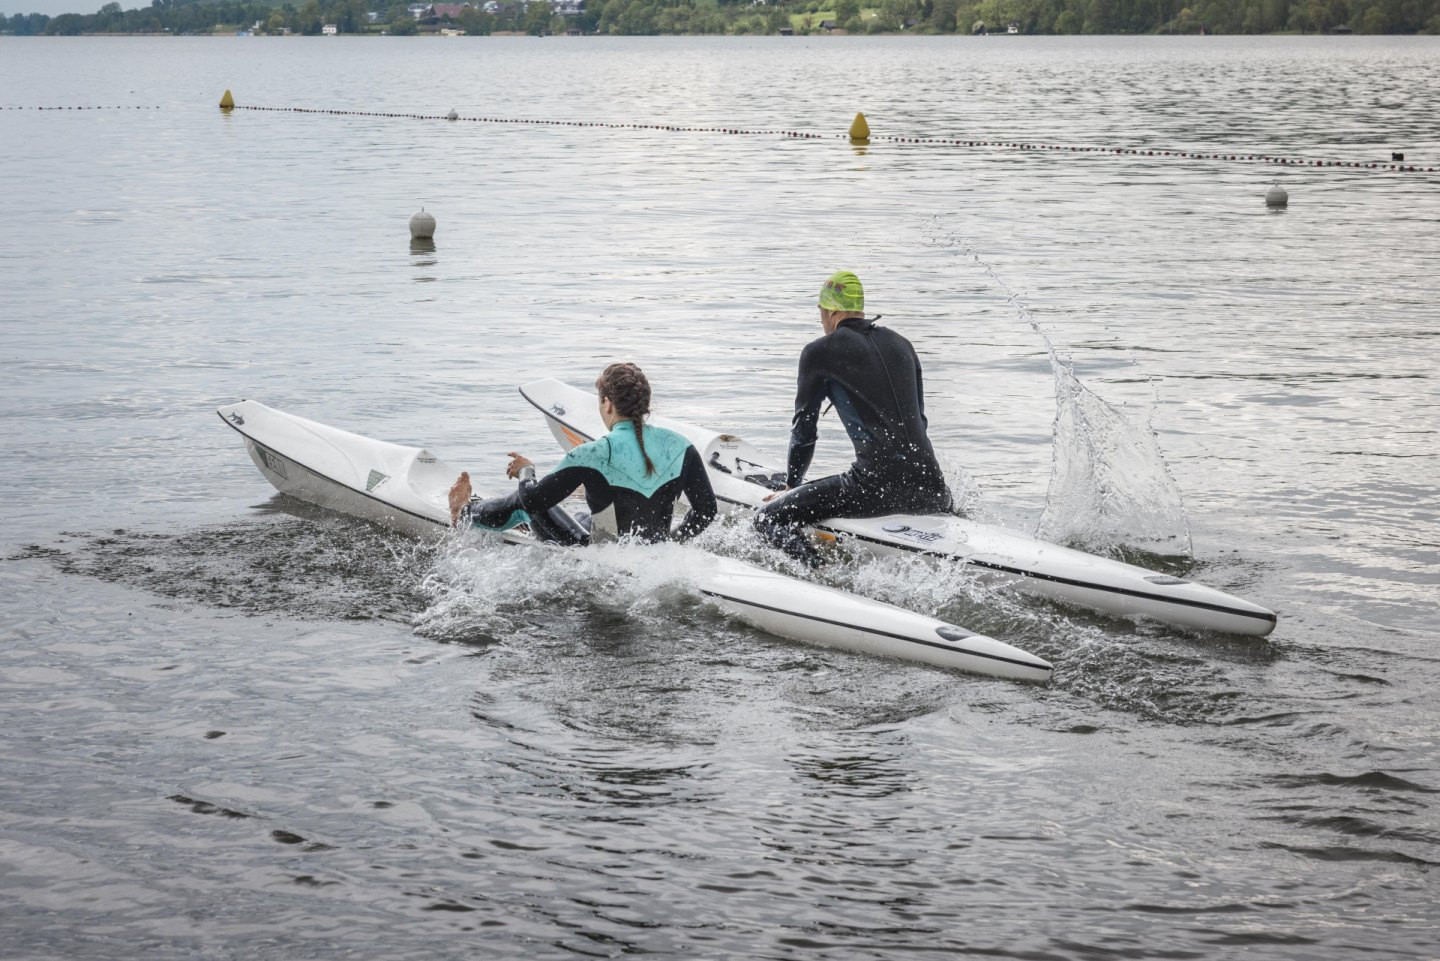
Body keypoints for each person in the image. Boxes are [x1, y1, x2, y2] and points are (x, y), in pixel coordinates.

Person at [755, 270, 952, 564]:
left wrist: (792, 485)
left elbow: (804, 429)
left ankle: (820, 577)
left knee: (767, 521)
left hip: (875, 488)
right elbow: (920, 422)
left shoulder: (819, 352)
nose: (821, 320)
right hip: (934, 488)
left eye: (821, 312)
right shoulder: (902, 344)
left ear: (832, 311)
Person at [448, 362, 717, 545]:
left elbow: (534, 500)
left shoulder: (593, 453)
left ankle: (463, 513)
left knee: (524, 499)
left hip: (597, 556)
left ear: (607, 404)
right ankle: (521, 526)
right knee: (583, 518)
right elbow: (706, 511)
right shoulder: (681, 446)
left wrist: (525, 471)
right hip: (650, 556)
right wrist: (671, 544)